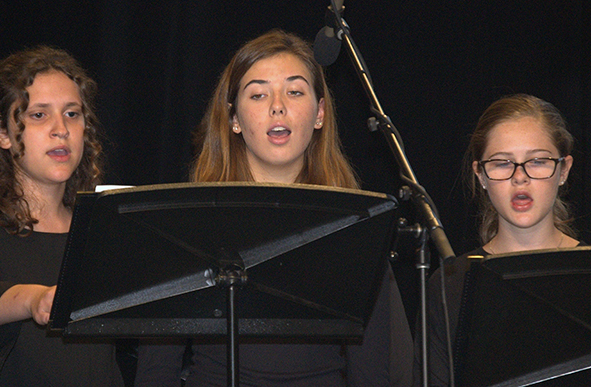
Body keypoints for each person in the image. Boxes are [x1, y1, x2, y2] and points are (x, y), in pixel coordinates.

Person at [135, 29, 413, 387]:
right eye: (259, 94)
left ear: (319, 113)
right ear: (234, 118)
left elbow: (371, 373)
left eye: (294, 91)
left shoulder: (356, 224)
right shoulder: (189, 221)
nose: (277, 106)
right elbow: (156, 372)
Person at [0, 46, 124, 386]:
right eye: (38, 115)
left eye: (72, 114)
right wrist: (35, 300)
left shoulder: (98, 225)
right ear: (2, 134)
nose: (60, 129)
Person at [416, 94, 583, 386]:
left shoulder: (585, 269)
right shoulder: (449, 284)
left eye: (538, 161)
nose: (520, 177)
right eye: (503, 163)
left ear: (563, 170)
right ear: (480, 174)